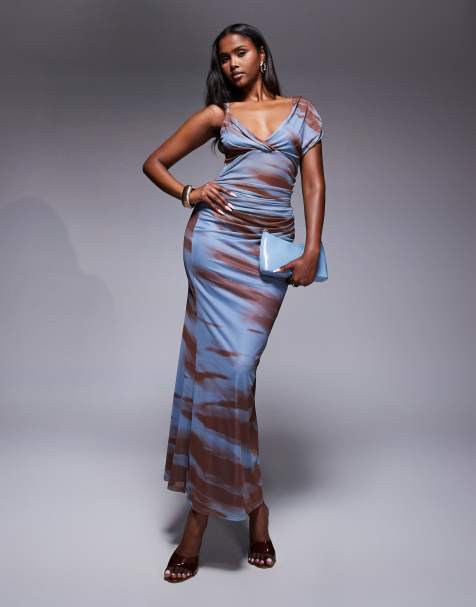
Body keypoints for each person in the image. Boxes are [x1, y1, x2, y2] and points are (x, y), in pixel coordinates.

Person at [142, 23, 326, 583]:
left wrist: (311, 250)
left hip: (268, 257)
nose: (232, 64)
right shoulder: (218, 116)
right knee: (223, 380)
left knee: (235, 374)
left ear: (262, 54)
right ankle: (208, 516)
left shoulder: (303, 113)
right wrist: (191, 193)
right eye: (223, 58)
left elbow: (313, 186)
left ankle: (247, 504)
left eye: (240, 53)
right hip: (215, 246)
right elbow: (154, 163)